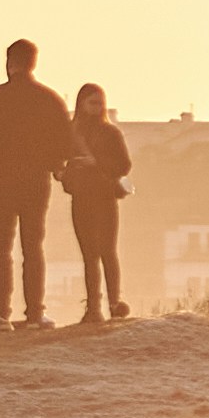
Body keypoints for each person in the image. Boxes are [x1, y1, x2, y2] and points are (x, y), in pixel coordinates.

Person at [0, 38, 69, 329]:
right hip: (36, 182)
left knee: (0, 250)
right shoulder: (49, 99)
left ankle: (0, 314)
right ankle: (35, 313)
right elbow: (65, 144)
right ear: (34, 63)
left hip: (1, 181)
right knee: (33, 248)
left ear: (9, 63)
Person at [63, 82, 133, 323]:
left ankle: (114, 303)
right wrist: (66, 172)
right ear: (81, 104)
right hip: (81, 197)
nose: (96, 108)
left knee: (107, 251)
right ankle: (93, 307)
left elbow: (124, 165)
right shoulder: (71, 132)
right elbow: (59, 160)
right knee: (89, 254)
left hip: (104, 198)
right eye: (92, 103)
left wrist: (96, 162)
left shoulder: (110, 133)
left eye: (100, 103)